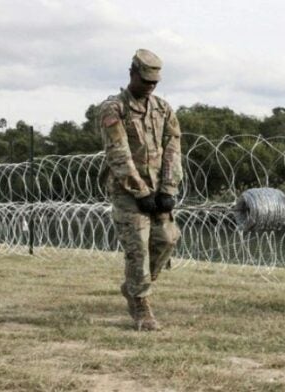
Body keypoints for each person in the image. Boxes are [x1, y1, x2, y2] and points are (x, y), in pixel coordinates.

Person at [98, 49, 182, 331]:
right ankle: (141, 306)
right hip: (127, 192)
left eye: (154, 82)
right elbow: (118, 153)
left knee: (167, 239)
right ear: (132, 73)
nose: (150, 86)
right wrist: (140, 191)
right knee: (138, 249)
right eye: (145, 80)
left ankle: (135, 285)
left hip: (158, 191)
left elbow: (173, 148)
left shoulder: (163, 108)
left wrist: (168, 188)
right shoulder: (114, 108)